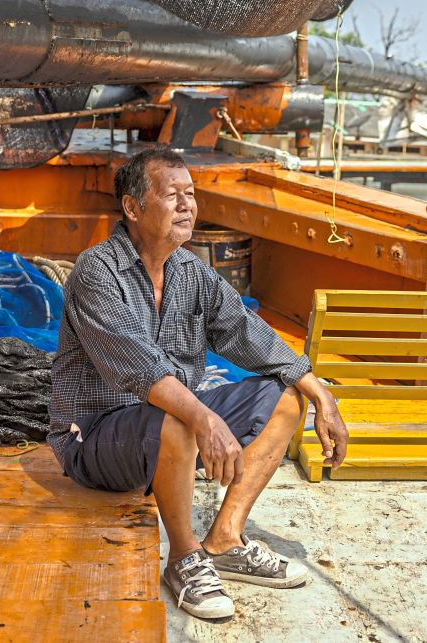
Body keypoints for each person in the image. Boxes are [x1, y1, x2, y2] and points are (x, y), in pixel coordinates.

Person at [48, 147, 348, 621]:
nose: (188, 205)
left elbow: (249, 334)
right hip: (94, 438)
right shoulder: (96, 270)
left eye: (192, 195)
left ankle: (226, 538)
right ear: (133, 208)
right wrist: (204, 417)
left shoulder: (192, 273)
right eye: (174, 195)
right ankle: (183, 558)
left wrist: (319, 392)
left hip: (169, 429)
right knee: (178, 416)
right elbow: (137, 366)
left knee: (285, 398)